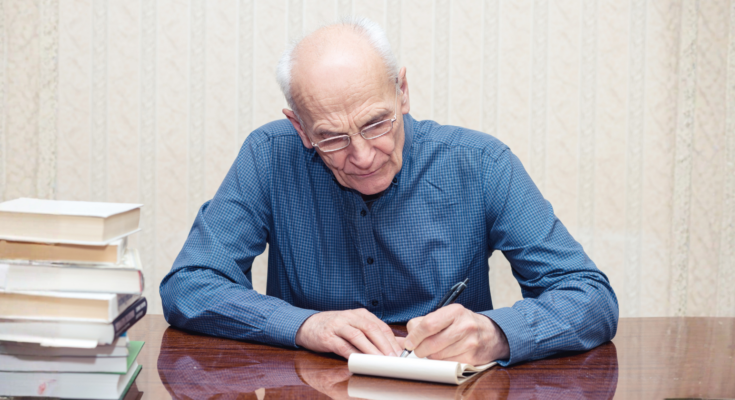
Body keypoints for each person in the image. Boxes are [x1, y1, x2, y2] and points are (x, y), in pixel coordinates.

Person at [160, 17, 618, 367]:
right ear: (299, 127)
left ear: (402, 92)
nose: (362, 156)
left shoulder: (482, 164)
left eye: (376, 123)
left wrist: (497, 334)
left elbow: (590, 296)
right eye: (332, 138)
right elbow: (190, 285)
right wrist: (303, 325)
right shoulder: (268, 156)